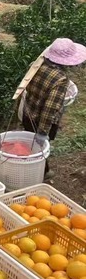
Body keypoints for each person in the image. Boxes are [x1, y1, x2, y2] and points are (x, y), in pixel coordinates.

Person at [21, 37, 86, 177]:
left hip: (28, 114)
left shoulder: (36, 65)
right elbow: (50, 108)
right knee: (39, 148)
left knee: (30, 143)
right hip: (41, 121)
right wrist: (43, 131)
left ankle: (31, 166)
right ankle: (40, 173)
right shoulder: (61, 80)